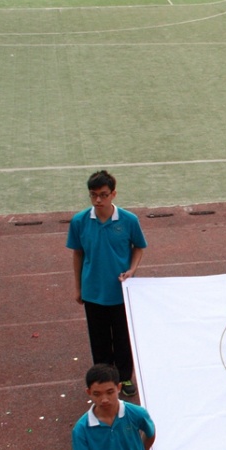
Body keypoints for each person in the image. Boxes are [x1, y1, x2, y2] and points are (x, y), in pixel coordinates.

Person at [67, 170, 147, 398]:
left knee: (123, 338)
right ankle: (104, 379)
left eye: (103, 195)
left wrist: (132, 270)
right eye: (93, 195)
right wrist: (78, 287)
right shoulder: (79, 221)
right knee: (99, 340)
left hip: (121, 292)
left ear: (113, 194)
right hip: (93, 291)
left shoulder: (129, 220)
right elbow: (78, 254)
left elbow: (139, 247)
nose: (98, 200)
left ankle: (124, 376)